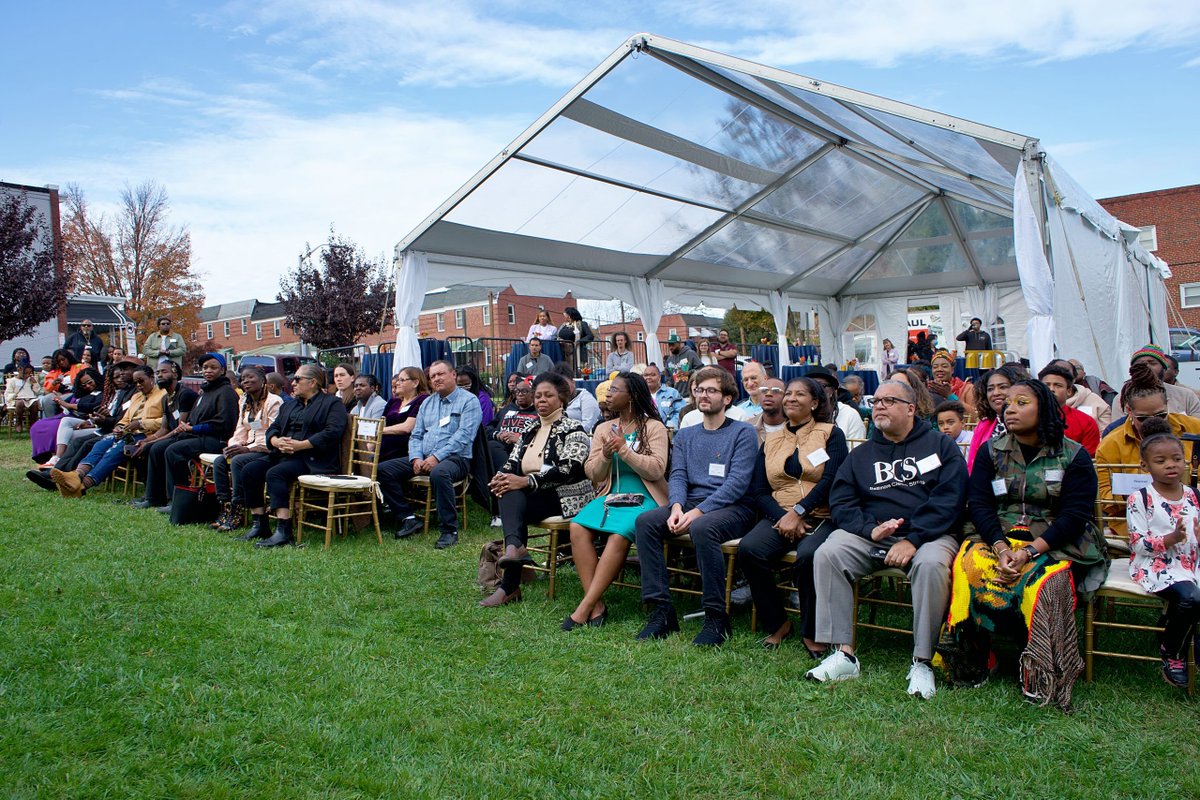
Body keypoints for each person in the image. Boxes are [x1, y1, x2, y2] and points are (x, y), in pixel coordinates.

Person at [942, 379, 1104, 710]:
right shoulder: (993, 450)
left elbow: (1074, 515)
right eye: (1008, 404)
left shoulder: (1073, 455)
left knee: (1043, 582)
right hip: (996, 535)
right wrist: (1002, 549)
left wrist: (1029, 551)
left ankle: (1041, 670)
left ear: (1043, 407)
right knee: (969, 569)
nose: (1010, 408)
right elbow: (981, 504)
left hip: (1056, 540)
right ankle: (974, 660)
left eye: (1021, 402)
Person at [805, 378, 967, 699]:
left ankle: (922, 661)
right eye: (876, 400)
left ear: (910, 408)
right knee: (829, 553)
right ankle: (844, 654)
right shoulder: (863, 454)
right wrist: (868, 530)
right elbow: (842, 500)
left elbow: (950, 498)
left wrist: (914, 539)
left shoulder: (940, 446)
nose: (879, 405)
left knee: (933, 565)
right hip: (874, 534)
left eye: (888, 400)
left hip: (929, 536)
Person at [633, 366, 759, 646]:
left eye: (712, 390)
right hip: (690, 503)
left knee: (702, 528)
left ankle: (716, 617)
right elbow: (678, 475)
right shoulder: (687, 434)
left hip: (735, 507)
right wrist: (677, 506)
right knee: (646, 522)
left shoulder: (743, 433)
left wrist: (697, 512)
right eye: (699, 390)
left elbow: (737, 484)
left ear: (727, 398)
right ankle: (662, 611)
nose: (704, 395)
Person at [740, 376, 848, 653]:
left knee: (810, 556)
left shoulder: (831, 434)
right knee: (750, 550)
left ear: (814, 403)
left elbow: (833, 478)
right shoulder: (771, 441)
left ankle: (812, 631)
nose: (789, 398)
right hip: (780, 514)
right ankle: (777, 623)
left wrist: (800, 511)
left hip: (822, 513)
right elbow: (760, 491)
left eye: (799, 394)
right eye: (787, 393)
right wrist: (783, 516)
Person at [562, 372, 668, 628]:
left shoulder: (654, 427)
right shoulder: (602, 429)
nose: (608, 394)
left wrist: (624, 450)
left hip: (645, 497)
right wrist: (607, 456)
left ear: (631, 396)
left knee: (619, 534)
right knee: (577, 526)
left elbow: (656, 470)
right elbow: (593, 474)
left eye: (614, 390)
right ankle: (596, 604)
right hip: (611, 495)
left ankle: (585, 607)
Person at [481, 372, 595, 607]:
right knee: (508, 490)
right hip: (533, 494)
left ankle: (509, 584)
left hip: (566, 496)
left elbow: (569, 469)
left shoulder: (574, 428)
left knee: (515, 497)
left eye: (548, 395)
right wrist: (501, 478)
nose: (541, 400)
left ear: (562, 398)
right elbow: (512, 462)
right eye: (538, 396)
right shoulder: (531, 429)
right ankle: (514, 549)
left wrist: (526, 481)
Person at [237, 364, 348, 548]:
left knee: (276, 473)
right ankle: (260, 525)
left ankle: (283, 531)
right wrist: (275, 441)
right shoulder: (290, 404)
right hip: (283, 454)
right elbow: (274, 428)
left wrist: (301, 445)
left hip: (312, 458)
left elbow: (332, 432)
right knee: (250, 470)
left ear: (313, 382)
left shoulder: (331, 403)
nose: (292, 383)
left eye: (297, 379)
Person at [1125, 417, 1200, 688]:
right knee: (1190, 598)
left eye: (1177, 459)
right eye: (1161, 461)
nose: (1171, 465)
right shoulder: (1141, 499)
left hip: (1191, 561)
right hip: (1156, 565)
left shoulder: (1193, 494)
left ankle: (1185, 633)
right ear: (1144, 465)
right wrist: (1171, 538)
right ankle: (1172, 651)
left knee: (1193, 595)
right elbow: (1137, 544)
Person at [378, 360, 481, 549]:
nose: (436, 379)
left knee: (439, 473)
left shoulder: (469, 401)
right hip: (424, 456)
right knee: (383, 470)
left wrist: (436, 458)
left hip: (456, 459)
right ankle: (408, 517)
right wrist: (416, 457)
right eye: (433, 376)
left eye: (441, 374)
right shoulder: (427, 403)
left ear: (453, 376)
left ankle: (449, 530)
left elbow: (464, 436)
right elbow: (416, 435)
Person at [1095, 362, 1200, 536]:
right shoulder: (1111, 444)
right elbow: (1104, 498)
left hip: (1192, 520)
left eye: (1161, 415)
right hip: (1136, 526)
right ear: (1128, 410)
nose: (1153, 422)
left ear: (1168, 404)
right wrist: (1145, 494)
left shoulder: (1195, 429)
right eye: (1143, 418)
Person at [132, 352, 239, 512]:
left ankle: (176, 500)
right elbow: (192, 419)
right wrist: (188, 427)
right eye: (205, 367)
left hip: (216, 440)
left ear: (222, 370)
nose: (208, 371)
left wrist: (193, 428)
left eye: (213, 367)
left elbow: (224, 423)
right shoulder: (206, 392)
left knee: (173, 450)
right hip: (196, 436)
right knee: (157, 448)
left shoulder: (226, 392)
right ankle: (153, 497)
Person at [49, 365, 166, 498]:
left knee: (114, 451)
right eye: (135, 383)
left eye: (141, 381)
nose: (138, 385)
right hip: (128, 432)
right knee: (100, 444)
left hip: (147, 435)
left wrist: (141, 423)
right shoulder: (137, 397)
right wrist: (120, 427)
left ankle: (82, 486)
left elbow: (166, 422)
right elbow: (126, 418)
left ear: (151, 378)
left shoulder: (163, 395)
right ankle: (76, 475)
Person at [210, 366, 283, 532]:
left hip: (266, 449)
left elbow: (273, 433)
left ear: (263, 380)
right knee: (220, 461)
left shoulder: (274, 402)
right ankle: (225, 507)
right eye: (243, 379)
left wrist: (247, 450)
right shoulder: (244, 401)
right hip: (248, 446)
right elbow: (240, 429)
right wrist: (233, 446)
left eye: (251, 378)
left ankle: (238, 508)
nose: (246, 381)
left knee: (238, 461)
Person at [1111, 345, 1200, 419]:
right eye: (1140, 363)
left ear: (1164, 369)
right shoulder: (1121, 399)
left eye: (1152, 363)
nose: (1146, 366)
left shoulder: (1186, 396)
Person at [965, 365, 1023, 472]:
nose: (996, 393)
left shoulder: (1028, 421)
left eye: (1003, 387)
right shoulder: (984, 425)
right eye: (990, 389)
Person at [43, 367, 105, 465]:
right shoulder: (83, 393)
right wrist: (61, 402)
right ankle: (58, 458)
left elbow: (92, 407)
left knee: (68, 435)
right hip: (82, 419)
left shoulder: (104, 393)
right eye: (84, 385)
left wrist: (67, 405)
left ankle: (62, 464)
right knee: (65, 421)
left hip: (99, 425)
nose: (88, 386)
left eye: (90, 382)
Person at [1038, 362, 1099, 455]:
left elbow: (1088, 460)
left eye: (1058, 385)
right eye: (1047, 385)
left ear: (1069, 391)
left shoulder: (1086, 422)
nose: (1051, 389)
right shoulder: (1026, 419)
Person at [486, 378, 539, 479]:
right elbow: (488, 429)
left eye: (524, 391)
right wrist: (498, 434)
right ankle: (505, 476)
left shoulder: (538, 413)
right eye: (517, 391)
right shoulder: (507, 409)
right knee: (492, 445)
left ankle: (505, 477)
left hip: (523, 451)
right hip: (500, 447)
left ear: (532, 393)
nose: (520, 394)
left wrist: (519, 440)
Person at [380, 367, 429, 463]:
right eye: (398, 380)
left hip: (405, 452)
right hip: (382, 450)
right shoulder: (394, 401)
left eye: (402, 380)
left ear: (415, 383)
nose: (397, 383)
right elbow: (382, 423)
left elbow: (407, 427)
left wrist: (379, 430)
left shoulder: (422, 399)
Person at [805, 367, 866, 441]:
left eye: (822, 386)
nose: (816, 390)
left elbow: (855, 449)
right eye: (811, 387)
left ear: (831, 391)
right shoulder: (799, 415)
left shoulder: (849, 415)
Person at [1050, 358, 1110, 427]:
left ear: (1074, 379)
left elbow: (1107, 434)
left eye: (1066, 374)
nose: (1061, 378)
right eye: (1047, 383)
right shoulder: (1039, 405)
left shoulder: (1095, 401)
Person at [551, 362, 601, 433]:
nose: (563, 389)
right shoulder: (555, 400)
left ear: (573, 383)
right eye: (558, 386)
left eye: (565, 384)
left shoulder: (586, 398)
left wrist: (565, 432)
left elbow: (589, 426)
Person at [39, 349, 82, 418]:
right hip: (58, 393)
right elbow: (47, 388)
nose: (61, 362)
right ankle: (51, 421)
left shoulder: (79, 367)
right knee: (46, 399)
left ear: (68, 357)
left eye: (63, 359)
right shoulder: (54, 372)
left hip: (76, 393)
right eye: (59, 361)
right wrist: (53, 383)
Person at [5, 360, 42, 432]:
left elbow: (37, 392)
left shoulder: (30, 380)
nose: (27, 375)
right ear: (19, 370)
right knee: (20, 403)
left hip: (30, 398)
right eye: (25, 373)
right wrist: (13, 396)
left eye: (29, 373)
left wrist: (34, 383)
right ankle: (19, 422)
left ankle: (32, 423)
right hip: (18, 399)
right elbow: (8, 393)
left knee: (34, 404)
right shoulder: (12, 381)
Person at [644, 364, 684, 430]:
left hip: (671, 435)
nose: (648, 377)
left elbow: (680, 412)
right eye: (646, 375)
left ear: (659, 377)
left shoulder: (672, 393)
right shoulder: (639, 395)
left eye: (653, 375)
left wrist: (669, 427)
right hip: (648, 434)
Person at [748, 378, 787, 443]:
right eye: (764, 390)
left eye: (775, 391)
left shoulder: (797, 427)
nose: (768, 394)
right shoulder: (747, 428)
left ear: (786, 396)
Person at [559, 307, 595, 371]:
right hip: (564, 352)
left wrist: (578, 342)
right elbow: (557, 335)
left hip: (577, 351)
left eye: (565, 314)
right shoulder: (564, 325)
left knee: (577, 370)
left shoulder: (581, 324)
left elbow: (590, 336)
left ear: (570, 315)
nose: (564, 316)